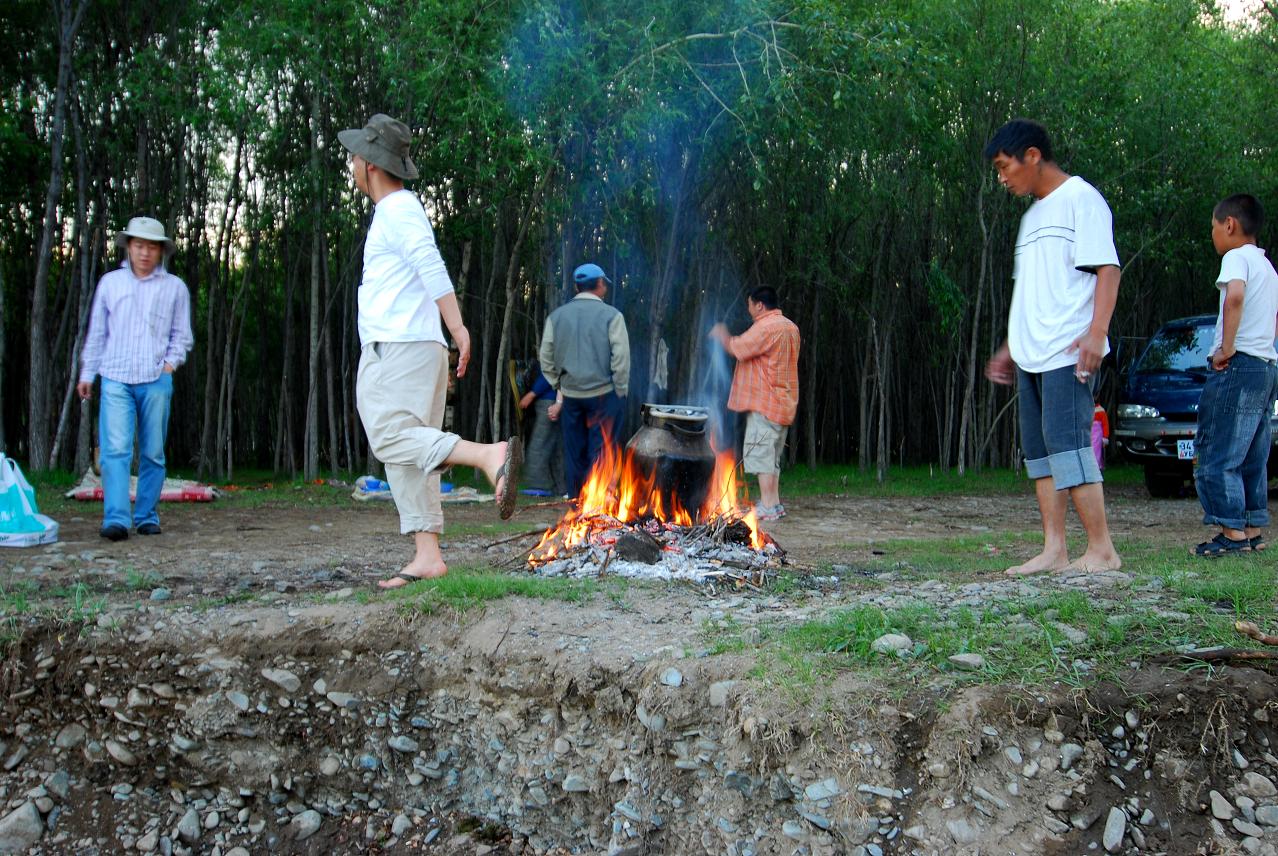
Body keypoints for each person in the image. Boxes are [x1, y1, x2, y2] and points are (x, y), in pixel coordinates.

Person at [338, 113, 522, 588]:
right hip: (416, 348)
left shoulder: (397, 211)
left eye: (356, 156)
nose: (352, 163)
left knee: (388, 438)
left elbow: (429, 263)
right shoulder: (401, 211)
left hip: (397, 349)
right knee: (409, 453)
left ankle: (487, 455)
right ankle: (427, 555)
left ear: (371, 165)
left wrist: (458, 326)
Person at [983, 118, 1122, 576]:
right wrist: (1008, 346)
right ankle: (1054, 549)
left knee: (1069, 446)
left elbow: (1108, 269)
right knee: (1040, 452)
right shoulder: (1031, 217)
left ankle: (1101, 549)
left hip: (1068, 348)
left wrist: (1097, 333)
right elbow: (1031, 291)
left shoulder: (1082, 199)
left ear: (1033, 156)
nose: (1002, 178)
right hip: (1031, 352)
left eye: (1005, 167)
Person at [77, 217, 194, 542]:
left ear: (160, 251)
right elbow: (97, 332)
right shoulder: (110, 283)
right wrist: (88, 373)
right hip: (115, 377)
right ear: (128, 247)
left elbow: (181, 335)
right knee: (115, 450)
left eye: (151, 247)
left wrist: (169, 366)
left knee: (153, 451)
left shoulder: (174, 288)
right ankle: (116, 518)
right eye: (139, 245)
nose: (144, 253)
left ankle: (146, 515)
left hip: (155, 378)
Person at [1192, 194, 1278, 557]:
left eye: (1213, 227)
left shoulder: (1235, 257)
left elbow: (1235, 297)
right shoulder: (1268, 268)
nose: (1213, 235)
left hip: (1238, 365)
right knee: (1253, 452)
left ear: (1229, 225)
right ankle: (1252, 527)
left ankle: (1231, 532)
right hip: (1266, 366)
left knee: (1218, 449)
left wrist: (1226, 347)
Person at [538, 263, 630, 498]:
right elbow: (620, 357)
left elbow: (546, 356)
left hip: (571, 397)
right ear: (600, 285)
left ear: (577, 286)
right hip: (603, 395)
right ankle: (597, 506)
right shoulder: (612, 316)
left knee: (574, 452)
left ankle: (577, 506)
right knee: (601, 450)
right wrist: (620, 389)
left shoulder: (556, 317)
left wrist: (559, 385)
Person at [710, 286, 800, 521]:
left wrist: (722, 335)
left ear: (759, 304)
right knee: (772, 458)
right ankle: (775, 503)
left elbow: (740, 348)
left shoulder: (766, 327)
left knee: (761, 456)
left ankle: (768, 507)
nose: (748, 309)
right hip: (785, 400)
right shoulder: (791, 327)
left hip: (765, 402)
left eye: (750, 304)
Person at [518, 361, 565, 496]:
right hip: (552, 400)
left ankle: (538, 485)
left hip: (549, 401)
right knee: (556, 447)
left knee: (539, 444)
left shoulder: (556, 345)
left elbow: (551, 373)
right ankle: (560, 488)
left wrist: (532, 393)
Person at [1091, 401, 1109, 471]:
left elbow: (1105, 425)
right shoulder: (1085, 409)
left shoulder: (1100, 410)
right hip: (1088, 436)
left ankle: (1096, 468)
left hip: (1097, 438)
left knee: (1096, 453)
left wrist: (1105, 437)